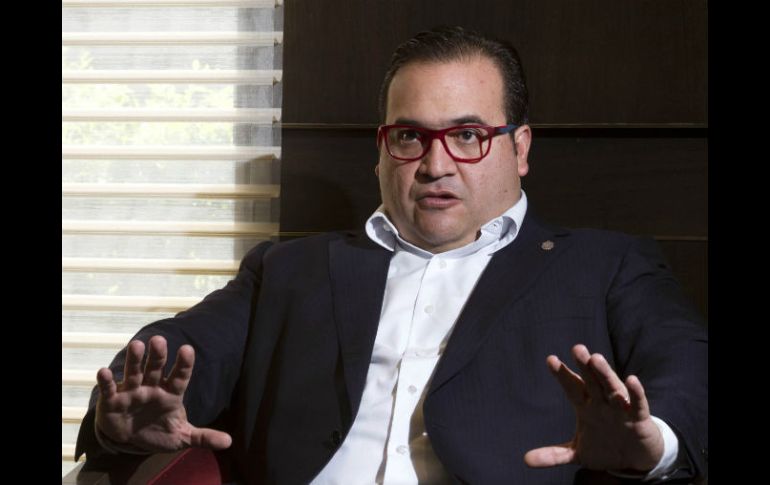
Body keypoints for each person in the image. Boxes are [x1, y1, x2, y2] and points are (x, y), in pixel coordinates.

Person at [75, 26, 708, 484]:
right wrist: (122, 414)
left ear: (519, 149)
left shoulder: (605, 266)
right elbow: (181, 350)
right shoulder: (288, 269)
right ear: (382, 150)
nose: (435, 165)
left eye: (467, 135)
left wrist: (652, 443)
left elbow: (689, 368)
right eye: (410, 136)